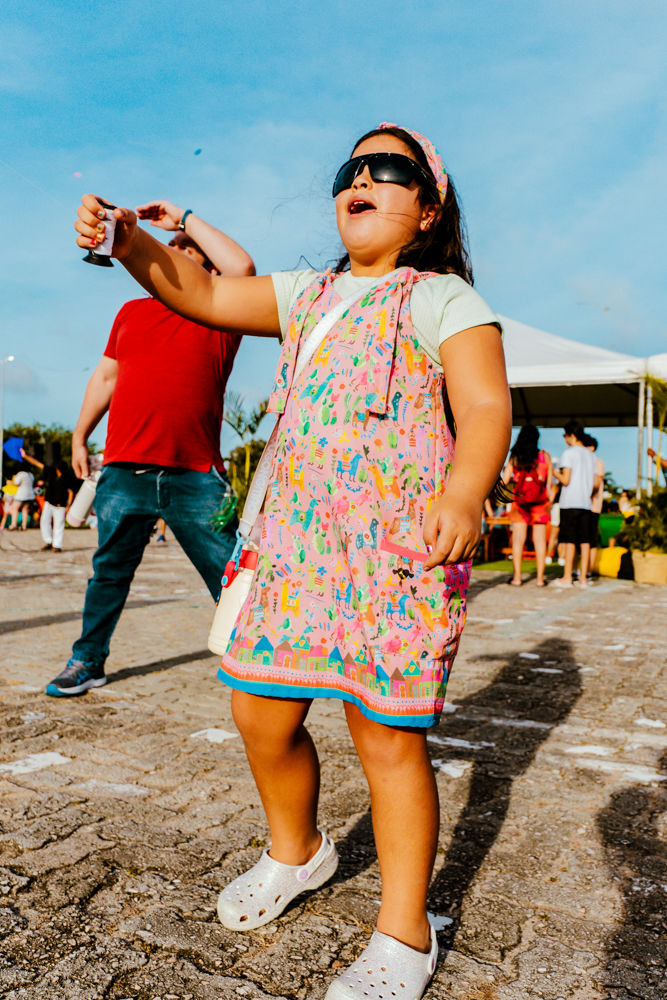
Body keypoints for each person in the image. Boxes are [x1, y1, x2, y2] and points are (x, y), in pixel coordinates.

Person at [74, 122, 512, 1000]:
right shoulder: (306, 294)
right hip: (292, 548)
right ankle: (298, 850)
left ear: (428, 210)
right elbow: (201, 290)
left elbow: (484, 403)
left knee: (386, 738)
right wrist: (127, 241)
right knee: (260, 713)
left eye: (387, 169)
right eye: (351, 168)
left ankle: (404, 931)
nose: (360, 180)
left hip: (395, 558)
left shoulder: (441, 299)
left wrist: (466, 490)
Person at [46, 201, 255, 698]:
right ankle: (87, 660)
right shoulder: (131, 312)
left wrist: (184, 220)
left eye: (187, 249)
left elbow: (243, 269)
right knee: (108, 573)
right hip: (124, 469)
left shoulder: (222, 311)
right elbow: (106, 376)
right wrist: (79, 435)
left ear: (208, 268)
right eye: (172, 246)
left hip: (195, 472)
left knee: (231, 576)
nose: (174, 251)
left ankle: (257, 659)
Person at [502, 425, 552, 587]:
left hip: (520, 502)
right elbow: (549, 483)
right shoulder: (544, 456)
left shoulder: (515, 457)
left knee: (518, 540)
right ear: (537, 438)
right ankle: (540, 579)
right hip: (541, 503)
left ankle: (517, 578)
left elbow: (505, 480)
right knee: (540, 541)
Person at [553, 420, 599, 588]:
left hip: (570, 502)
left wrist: (553, 471)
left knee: (570, 540)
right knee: (585, 541)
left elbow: (566, 480)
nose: (565, 439)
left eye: (565, 435)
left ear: (571, 435)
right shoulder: (590, 455)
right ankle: (583, 579)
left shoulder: (569, 453)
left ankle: (567, 577)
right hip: (586, 503)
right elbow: (595, 482)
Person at [22, 451, 74, 551]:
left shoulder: (68, 477)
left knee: (59, 524)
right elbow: (37, 463)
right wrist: (25, 456)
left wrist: (69, 505)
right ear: (57, 469)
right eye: (59, 471)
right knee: (44, 521)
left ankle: (57, 545)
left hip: (60, 505)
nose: (60, 473)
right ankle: (48, 541)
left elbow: (71, 491)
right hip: (49, 502)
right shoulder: (51, 471)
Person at [584, 434, 604, 577]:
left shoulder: (598, 463)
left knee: (591, 540)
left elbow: (596, 483)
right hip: (581, 506)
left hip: (593, 506)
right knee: (580, 539)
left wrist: (585, 496)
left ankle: (589, 570)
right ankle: (578, 570)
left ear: (591, 448)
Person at [9, 463, 35, 530]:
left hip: (20, 495)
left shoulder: (21, 474)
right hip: (29, 495)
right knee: (25, 510)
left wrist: (10, 482)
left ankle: (13, 524)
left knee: (15, 509)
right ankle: (24, 526)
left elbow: (16, 483)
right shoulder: (31, 475)